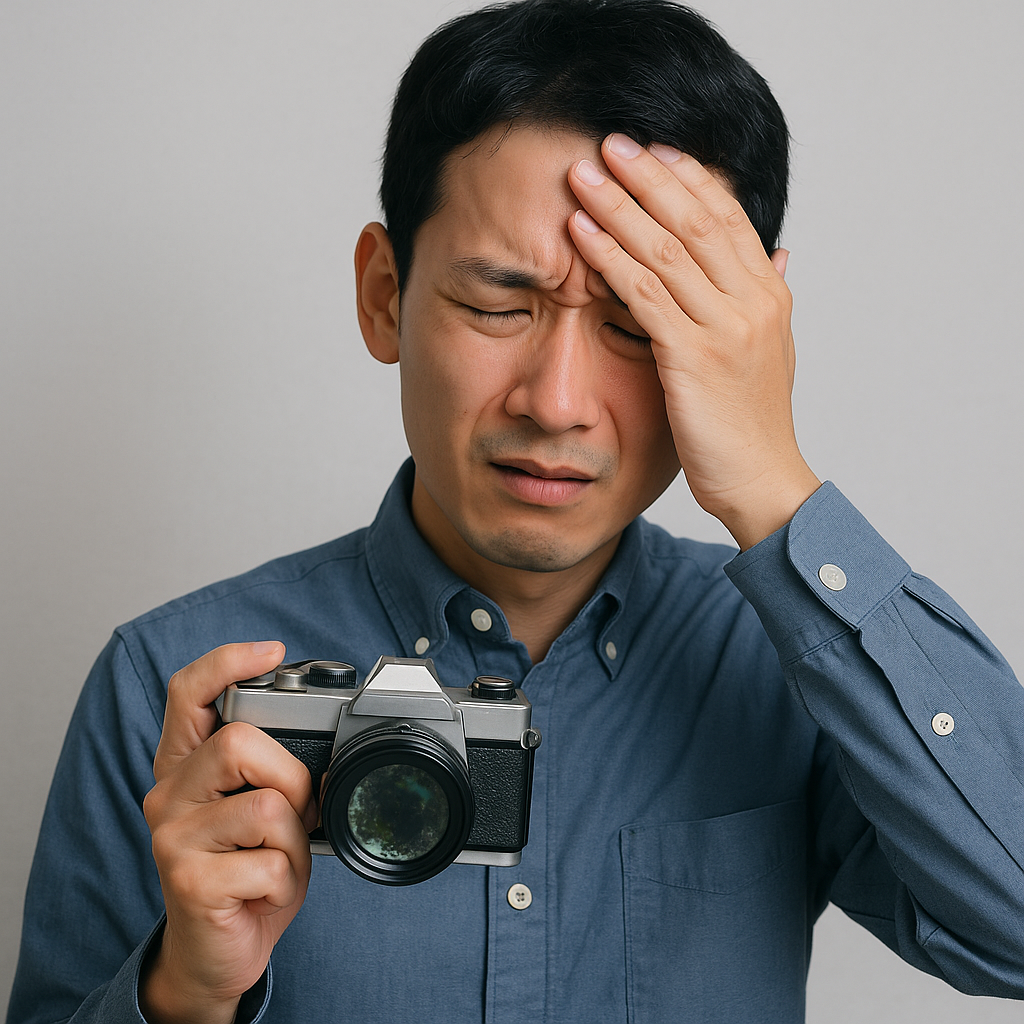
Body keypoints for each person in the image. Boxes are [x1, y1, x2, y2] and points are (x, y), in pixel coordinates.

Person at [8, 0, 1024, 1021]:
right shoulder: (173, 685)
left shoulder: (791, 672)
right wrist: (186, 991)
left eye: (640, 323)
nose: (557, 401)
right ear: (382, 293)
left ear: (743, 334)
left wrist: (770, 480)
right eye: (497, 306)